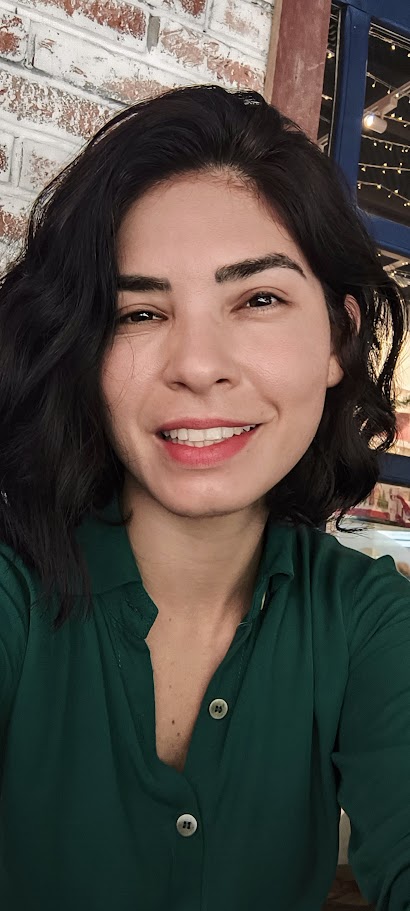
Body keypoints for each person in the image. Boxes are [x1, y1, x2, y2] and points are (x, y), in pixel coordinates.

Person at [0, 83, 409, 911]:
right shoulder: (15, 593)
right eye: (139, 312)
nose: (195, 365)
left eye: (258, 299)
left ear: (338, 337)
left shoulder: (365, 620)